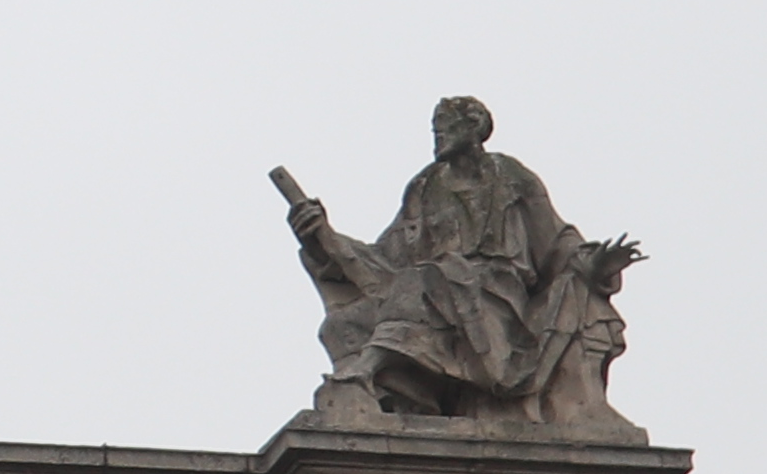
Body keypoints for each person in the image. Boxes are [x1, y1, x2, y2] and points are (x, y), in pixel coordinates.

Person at [276, 95, 644, 428]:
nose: (438, 137)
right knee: (345, 322)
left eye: (447, 128)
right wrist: (321, 238)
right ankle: (386, 400)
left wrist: (594, 263)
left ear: (474, 129)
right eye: (435, 130)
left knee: (430, 278)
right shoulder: (425, 185)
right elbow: (386, 254)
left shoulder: (511, 177)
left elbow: (556, 239)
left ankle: (363, 372)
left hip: (496, 293)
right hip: (433, 291)